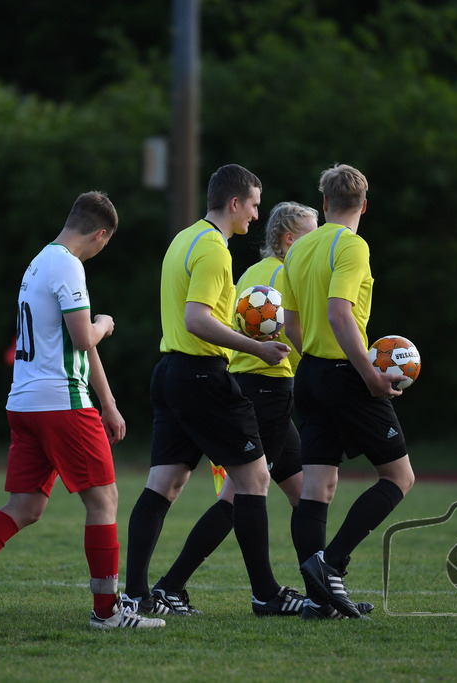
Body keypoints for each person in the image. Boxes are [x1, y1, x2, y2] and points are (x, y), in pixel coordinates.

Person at [0, 191, 164, 630]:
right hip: (62, 403)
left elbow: (69, 344)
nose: (99, 252)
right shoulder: (69, 266)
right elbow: (82, 339)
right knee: (104, 499)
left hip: (25, 403)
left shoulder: (38, 262)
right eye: (103, 244)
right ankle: (106, 613)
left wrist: (108, 402)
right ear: (99, 233)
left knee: (26, 505)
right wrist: (105, 324)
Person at [122, 165, 306, 617]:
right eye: (254, 205)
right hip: (201, 375)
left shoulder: (182, 239)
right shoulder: (212, 249)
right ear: (234, 203)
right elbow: (197, 320)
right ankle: (265, 593)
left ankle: (137, 594)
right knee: (255, 479)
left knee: (164, 484)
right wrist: (256, 347)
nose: (257, 215)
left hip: (170, 372)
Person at [281, 163, 415, 619]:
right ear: (363, 204)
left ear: (324, 203)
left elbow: (291, 323)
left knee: (318, 486)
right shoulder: (352, 245)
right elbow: (341, 313)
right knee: (399, 478)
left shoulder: (299, 250)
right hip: (345, 374)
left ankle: (321, 600)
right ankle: (330, 565)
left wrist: (313, 361)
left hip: (311, 375)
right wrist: (370, 376)